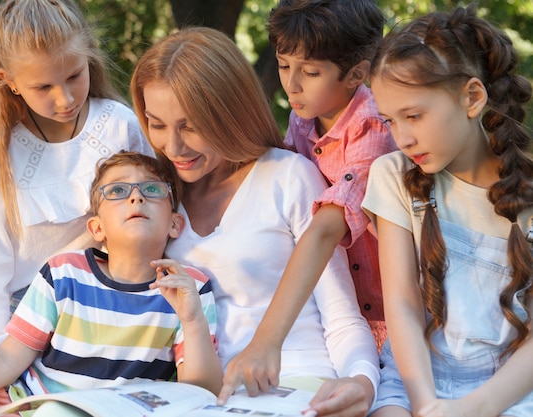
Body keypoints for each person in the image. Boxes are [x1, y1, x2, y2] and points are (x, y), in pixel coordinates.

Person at [130, 26, 379, 417]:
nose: (173, 147)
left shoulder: (287, 176)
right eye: (157, 124)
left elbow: (343, 319)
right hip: (196, 396)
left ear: (230, 112)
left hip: (295, 385)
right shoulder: (153, 195)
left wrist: (361, 382)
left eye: (190, 125)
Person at [0, 152, 221, 417]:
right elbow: (5, 359)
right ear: (97, 228)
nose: (136, 196)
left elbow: (200, 390)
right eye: (117, 191)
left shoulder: (188, 288)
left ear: (175, 224)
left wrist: (192, 319)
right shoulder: (64, 274)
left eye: (152, 190)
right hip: (25, 404)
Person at [221, 0, 395, 405]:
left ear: (357, 73)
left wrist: (267, 341)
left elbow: (323, 230)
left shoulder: (373, 128)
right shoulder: (305, 115)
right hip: (341, 308)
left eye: (310, 72)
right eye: (284, 65)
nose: (292, 84)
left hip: (390, 310)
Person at [362, 5, 533, 417]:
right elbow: (401, 304)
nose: (401, 137)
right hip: (413, 375)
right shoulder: (393, 175)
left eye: (414, 116)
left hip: (509, 387)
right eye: (389, 121)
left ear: (472, 97)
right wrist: (425, 405)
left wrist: (476, 407)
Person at [0, 0, 153, 346]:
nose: (65, 99)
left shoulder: (120, 126)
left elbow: (157, 215)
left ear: (89, 57)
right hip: (29, 313)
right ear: (11, 82)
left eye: (74, 76)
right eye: (43, 87)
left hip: (117, 302)